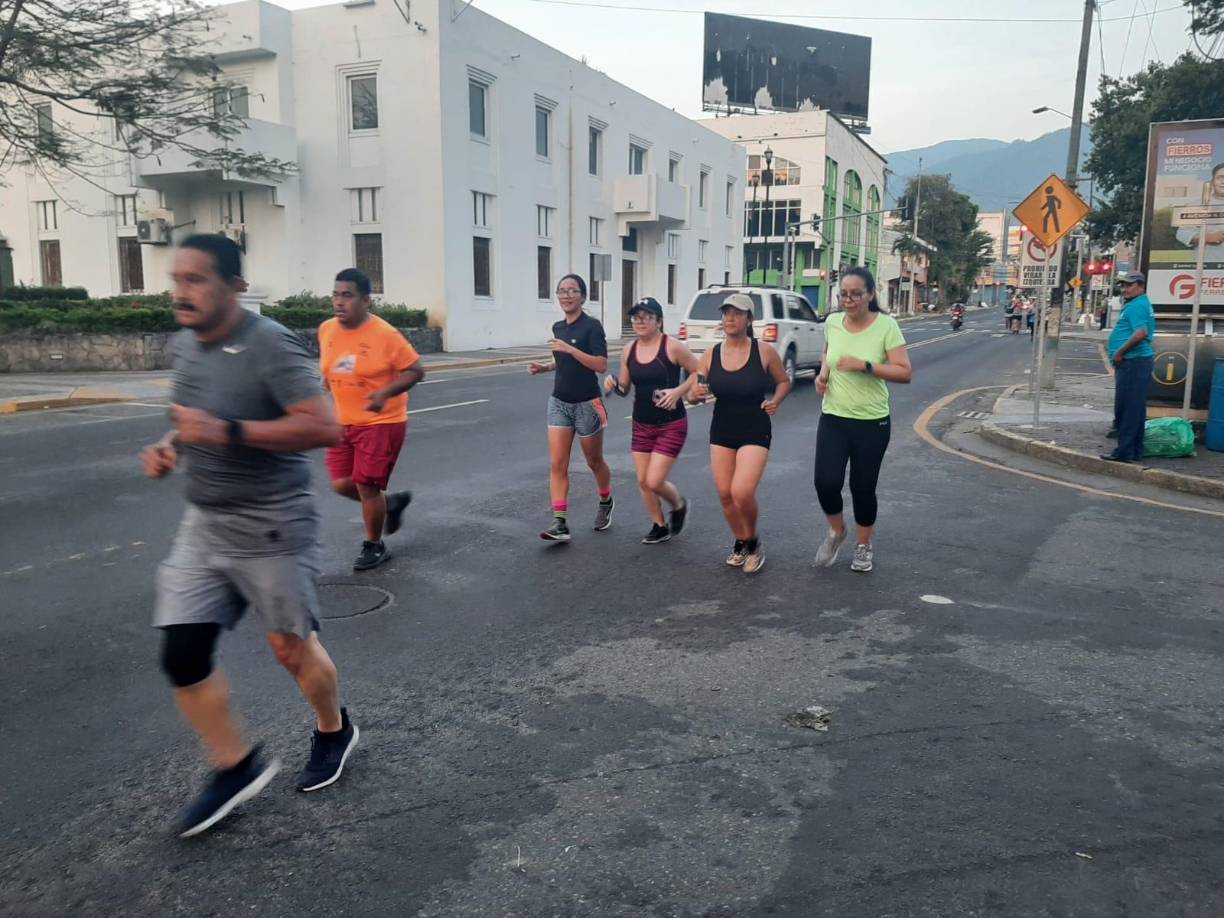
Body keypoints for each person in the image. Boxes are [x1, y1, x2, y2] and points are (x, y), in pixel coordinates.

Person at [140, 235, 357, 838]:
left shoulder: (270, 345)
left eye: (196, 280)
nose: (180, 292)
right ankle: (233, 766)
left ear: (234, 288)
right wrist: (169, 446)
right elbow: (188, 420)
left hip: (272, 522)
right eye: (176, 279)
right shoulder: (184, 345)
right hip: (204, 524)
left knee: (290, 649)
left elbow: (324, 427)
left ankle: (335, 728)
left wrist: (227, 431)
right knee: (181, 653)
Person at [319, 268, 423, 571]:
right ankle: (389, 503)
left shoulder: (385, 335)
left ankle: (374, 544)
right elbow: (329, 368)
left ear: (366, 300)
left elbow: (416, 370)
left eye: (347, 296)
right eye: (336, 295)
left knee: (366, 486)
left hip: (382, 422)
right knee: (341, 484)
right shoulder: (327, 329)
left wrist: (384, 393)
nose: (339, 302)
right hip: (342, 422)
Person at [813, 267, 912, 573]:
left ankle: (863, 545)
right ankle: (837, 530)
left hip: (871, 421)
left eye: (856, 294)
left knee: (862, 487)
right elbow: (829, 351)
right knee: (825, 482)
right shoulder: (832, 322)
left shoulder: (886, 326)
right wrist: (824, 374)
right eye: (844, 294)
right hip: (834, 416)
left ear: (870, 294)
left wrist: (865, 365)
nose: (849, 300)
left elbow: (904, 372)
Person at [691, 293, 791, 573]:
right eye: (726, 313)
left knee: (742, 491)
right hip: (722, 427)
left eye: (736, 313)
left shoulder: (764, 352)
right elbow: (696, 391)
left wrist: (775, 401)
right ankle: (742, 540)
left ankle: (753, 542)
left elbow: (784, 381)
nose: (729, 319)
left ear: (749, 319)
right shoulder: (710, 354)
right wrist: (696, 394)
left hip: (755, 427)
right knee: (725, 494)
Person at [604, 297, 700, 544]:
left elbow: (699, 371)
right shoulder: (629, 350)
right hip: (641, 423)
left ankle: (678, 505)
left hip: (671, 424)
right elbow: (625, 388)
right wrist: (614, 384)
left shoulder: (672, 346)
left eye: (647, 317)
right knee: (643, 481)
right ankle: (659, 526)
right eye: (636, 317)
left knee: (654, 480)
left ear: (659, 321)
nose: (640, 321)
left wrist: (678, 392)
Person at [528, 274, 613, 542]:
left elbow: (600, 365)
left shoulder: (592, 327)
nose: (566, 295)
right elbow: (564, 360)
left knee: (594, 461)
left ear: (583, 297)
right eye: (561, 291)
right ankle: (560, 523)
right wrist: (547, 367)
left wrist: (571, 350)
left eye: (572, 291)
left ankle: (605, 501)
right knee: (557, 463)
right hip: (560, 402)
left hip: (587, 403)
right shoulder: (558, 327)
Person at [1101, 271, 1156, 463]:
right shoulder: (1139, 303)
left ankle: (1124, 452)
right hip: (1137, 362)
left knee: (1126, 408)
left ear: (1140, 286)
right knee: (1135, 408)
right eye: (1123, 285)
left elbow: (1140, 333)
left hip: (1133, 362)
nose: (1124, 289)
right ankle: (1134, 450)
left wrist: (1119, 353)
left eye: (1129, 285)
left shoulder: (1137, 306)